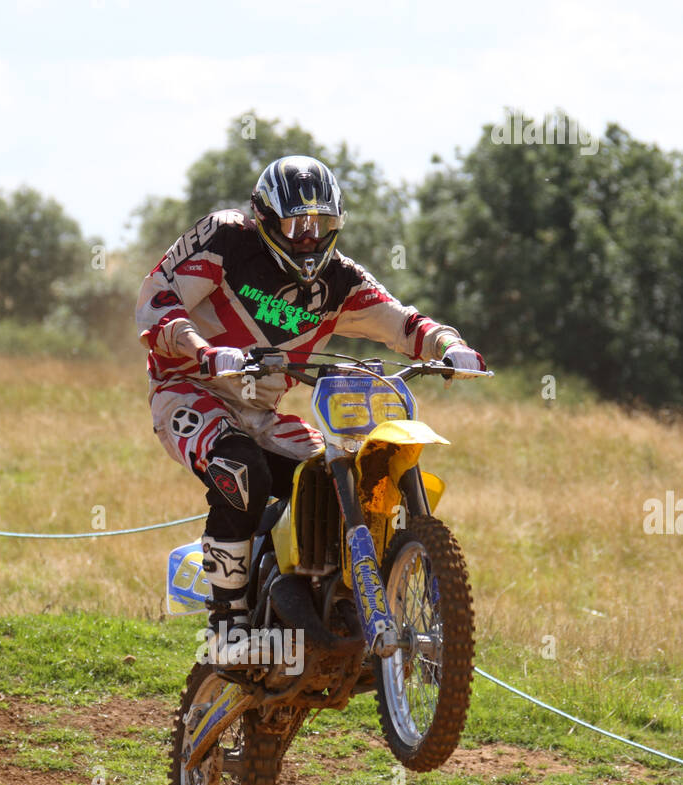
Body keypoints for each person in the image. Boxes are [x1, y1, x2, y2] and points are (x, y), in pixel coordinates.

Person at [136, 155, 485, 643]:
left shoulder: (341, 280)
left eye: (320, 225)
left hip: (261, 412)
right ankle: (228, 623)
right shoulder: (225, 238)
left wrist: (451, 347)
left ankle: (320, 596)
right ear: (266, 218)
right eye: (296, 224)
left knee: (336, 476)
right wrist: (201, 349)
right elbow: (157, 297)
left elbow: (403, 323)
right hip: (189, 391)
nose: (307, 237)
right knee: (242, 470)